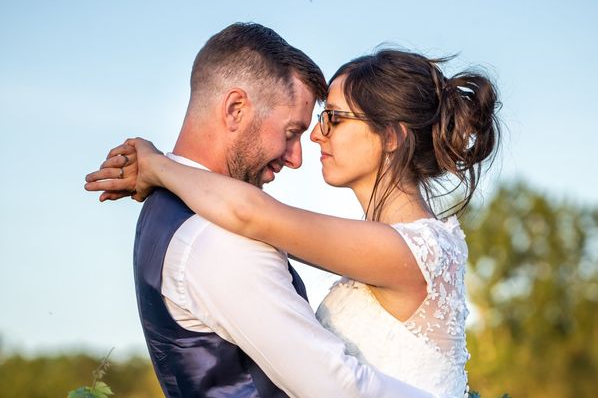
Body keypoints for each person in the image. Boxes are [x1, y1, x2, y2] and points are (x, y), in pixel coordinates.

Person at [87, 47, 500, 397]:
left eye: (333, 119)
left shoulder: (415, 249)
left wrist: (158, 166)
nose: (317, 137)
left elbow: (250, 214)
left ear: (391, 136)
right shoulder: (382, 245)